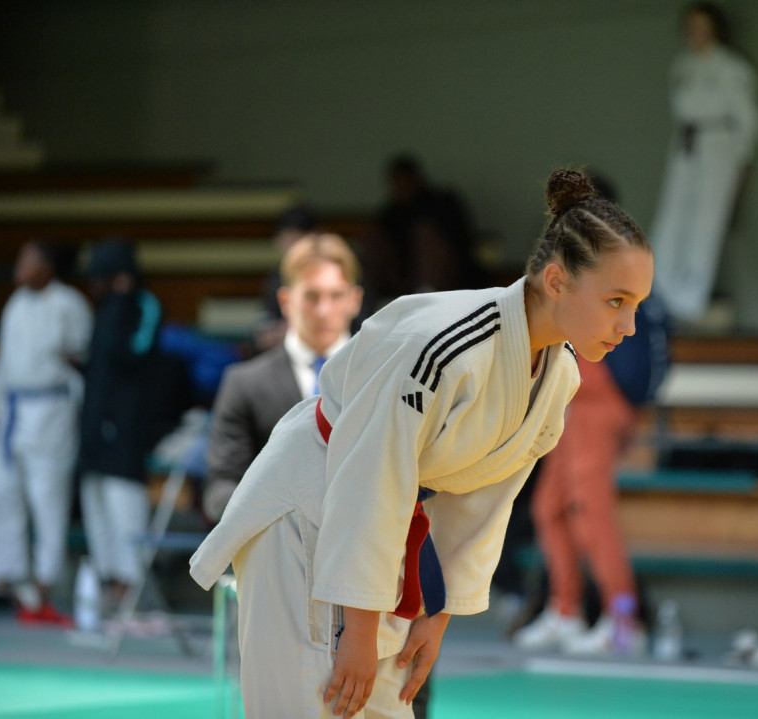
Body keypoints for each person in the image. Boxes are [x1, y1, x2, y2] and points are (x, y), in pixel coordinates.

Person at [189, 168, 653, 718]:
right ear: (556, 281)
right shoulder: (443, 343)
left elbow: (484, 500)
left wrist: (438, 615)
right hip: (309, 515)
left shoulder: (559, 375)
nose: (629, 325)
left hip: (377, 542)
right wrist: (360, 631)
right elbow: (370, 473)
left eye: (637, 305)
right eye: (616, 301)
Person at [513, 293, 670, 656]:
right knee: (549, 508)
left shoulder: (609, 280)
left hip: (599, 401)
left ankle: (624, 621)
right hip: (575, 399)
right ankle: (566, 610)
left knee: (592, 513)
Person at [203, 233, 363, 524]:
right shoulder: (245, 384)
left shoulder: (381, 378)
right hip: (277, 544)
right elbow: (221, 487)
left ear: (355, 299)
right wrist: (278, 523)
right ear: (285, 300)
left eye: (336, 295)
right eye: (311, 296)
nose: (324, 310)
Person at [0, 241, 92, 624]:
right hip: (12, 409)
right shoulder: (15, 304)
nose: (19, 267)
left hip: (51, 408)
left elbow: (82, 355)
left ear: (47, 266)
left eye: (27, 260)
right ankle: (10, 579)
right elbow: (6, 361)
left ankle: (46, 584)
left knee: (47, 498)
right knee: (3, 495)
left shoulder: (69, 303)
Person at [649, 2, 758, 324]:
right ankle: (658, 294)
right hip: (686, 144)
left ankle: (689, 301)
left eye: (703, 27)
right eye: (691, 27)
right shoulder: (682, 65)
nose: (696, 34)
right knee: (672, 217)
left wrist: (742, 159)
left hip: (718, 144)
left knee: (705, 223)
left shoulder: (732, 67)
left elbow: (748, 118)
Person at [78, 238, 164, 607]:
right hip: (94, 423)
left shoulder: (142, 305)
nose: (94, 286)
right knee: (95, 502)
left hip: (127, 428)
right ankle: (109, 584)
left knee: (123, 503)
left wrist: (122, 302)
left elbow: (135, 354)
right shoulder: (102, 311)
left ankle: (132, 591)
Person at [363, 154, 481, 310]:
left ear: (417, 180)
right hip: (403, 278)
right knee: (374, 238)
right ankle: (367, 306)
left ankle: (425, 301)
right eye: (397, 183)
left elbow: (462, 243)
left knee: (425, 234)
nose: (402, 188)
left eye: (405, 181)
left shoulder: (442, 203)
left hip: (448, 276)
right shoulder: (389, 214)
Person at [255, 204, 323, 352]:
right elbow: (264, 334)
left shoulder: (335, 274)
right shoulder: (276, 279)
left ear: (315, 237)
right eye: (286, 240)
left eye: (296, 239)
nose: (292, 247)